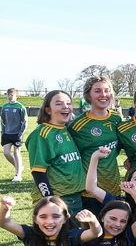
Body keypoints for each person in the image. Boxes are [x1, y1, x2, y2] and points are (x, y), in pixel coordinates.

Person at [26, 90, 84, 221]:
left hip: (74, 196)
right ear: (48, 110)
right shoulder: (42, 134)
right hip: (58, 199)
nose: (65, 107)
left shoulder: (65, 129)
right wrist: (51, 201)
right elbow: (38, 171)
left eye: (68, 103)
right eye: (59, 103)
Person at [68, 77, 123, 213]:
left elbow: (119, 146)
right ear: (88, 95)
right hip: (90, 194)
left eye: (107, 90)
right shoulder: (78, 126)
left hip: (114, 188)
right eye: (97, 91)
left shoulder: (116, 118)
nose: (103, 95)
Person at [2, 88, 27, 181]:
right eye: (8, 95)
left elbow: (25, 122)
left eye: (12, 95)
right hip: (7, 133)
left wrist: (20, 133)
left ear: (16, 96)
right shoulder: (4, 106)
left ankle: (18, 175)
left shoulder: (20, 107)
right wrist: (3, 131)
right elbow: (2, 120)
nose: (10, 96)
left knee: (16, 153)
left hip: (17, 134)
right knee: (6, 153)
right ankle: (19, 167)